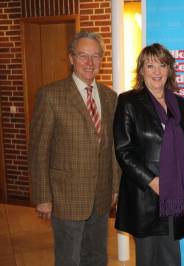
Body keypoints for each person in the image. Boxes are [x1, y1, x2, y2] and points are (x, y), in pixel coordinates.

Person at [28, 31, 120, 266]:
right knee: (69, 258)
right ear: (71, 58)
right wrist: (42, 197)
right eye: (83, 56)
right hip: (65, 198)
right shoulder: (51, 95)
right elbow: (39, 151)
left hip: (100, 197)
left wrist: (115, 187)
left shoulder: (111, 98)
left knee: (97, 257)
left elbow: (112, 149)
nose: (90, 63)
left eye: (96, 56)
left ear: (102, 60)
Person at [113, 43, 184, 266]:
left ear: (170, 69)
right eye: (150, 66)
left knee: (171, 258)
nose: (157, 72)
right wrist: (152, 181)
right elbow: (124, 150)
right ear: (142, 70)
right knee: (147, 259)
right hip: (145, 196)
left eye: (162, 65)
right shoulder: (128, 101)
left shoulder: (181, 104)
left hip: (175, 194)